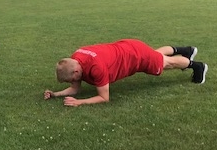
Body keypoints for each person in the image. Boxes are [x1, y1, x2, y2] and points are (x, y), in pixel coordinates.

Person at [43, 39, 207, 107]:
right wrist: (55, 94)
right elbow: (75, 89)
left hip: (135, 55)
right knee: (156, 55)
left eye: (70, 79)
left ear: (76, 71)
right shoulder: (75, 59)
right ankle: (187, 50)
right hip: (128, 46)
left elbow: (104, 98)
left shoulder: (96, 68)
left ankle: (197, 66)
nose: (72, 82)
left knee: (166, 63)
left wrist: (80, 102)